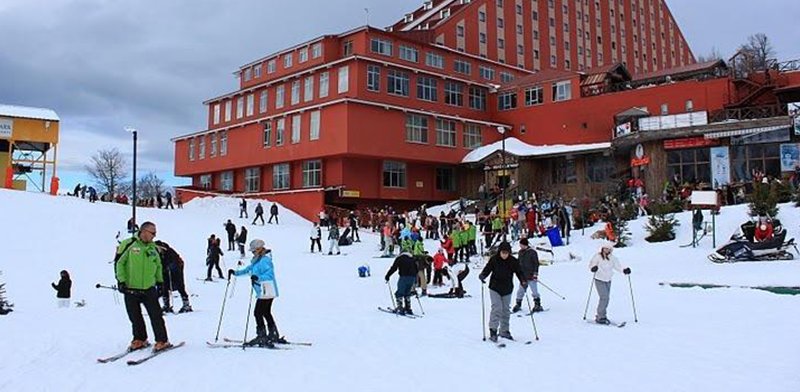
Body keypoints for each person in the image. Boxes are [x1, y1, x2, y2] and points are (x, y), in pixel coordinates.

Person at [115, 222, 172, 352]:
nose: (154, 235)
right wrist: (121, 281)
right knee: (135, 316)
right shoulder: (129, 244)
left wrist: (160, 282)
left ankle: (162, 340)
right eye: (153, 233)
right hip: (131, 287)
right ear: (144, 231)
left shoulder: (153, 248)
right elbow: (119, 263)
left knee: (156, 315)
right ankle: (139, 339)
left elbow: (158, 266)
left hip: (148, 288)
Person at [228, 239, 283, 347]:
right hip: (264, 290)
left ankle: (262, 336)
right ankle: (273, 334)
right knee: (266, 312)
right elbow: (248, 270)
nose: (252, 253)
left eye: (253, 251)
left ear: (259, 249)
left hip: (266, 290)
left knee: (258, 313)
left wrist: (258, 277)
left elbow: (270, 275)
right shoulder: (258, 260)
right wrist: (235, 273)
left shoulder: (265, 260)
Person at [479, 241, 525, 342]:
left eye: (506, 253)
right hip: (495, 287)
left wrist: (522, 280)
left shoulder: (513, 261)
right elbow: (488, 269)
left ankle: (504, 330)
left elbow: (519, 271)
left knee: (505, 310)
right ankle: (493, 330)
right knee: (497, 308)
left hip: (507, 288)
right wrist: (483, 275)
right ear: (499, 251)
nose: (504, 255)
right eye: (503, 252)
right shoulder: (494, 259)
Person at [588, 242, 631, 325]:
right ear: (602, 249)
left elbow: (618, 266)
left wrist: (624, 270)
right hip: (599, 279)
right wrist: (593, 268)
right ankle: (600, 316)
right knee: (604, 297)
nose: (606, 250)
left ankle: (602, 315)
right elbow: (591, 264)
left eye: (608, 249)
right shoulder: (597, 257)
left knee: (606, 298)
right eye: (605, 248)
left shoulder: (612, 258)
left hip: (608, 279)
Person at [155, 241, 192, 313]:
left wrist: (170, 267)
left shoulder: (170, 252)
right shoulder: (159, 253)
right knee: (164, 287)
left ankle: (186, 305)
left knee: (180, 286)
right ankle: (166, 305)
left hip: (176, 271)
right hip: (165, 272)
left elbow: (175, 261)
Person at [512, 238, 542, 313]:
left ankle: (537, 304)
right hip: (523, 276)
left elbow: (536, 264)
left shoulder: (532, 252)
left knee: (534, 291)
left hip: (531, 276)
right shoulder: (520, 252)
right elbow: (518, 262)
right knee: (520, 291)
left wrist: (535, 274)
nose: (520, 246)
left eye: (521, 244)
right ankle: (518, 304)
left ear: (525, 244)